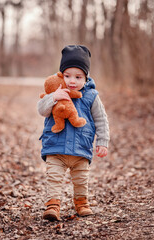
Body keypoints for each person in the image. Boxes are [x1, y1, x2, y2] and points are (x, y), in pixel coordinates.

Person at [37, 45, 110, 221]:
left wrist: (102, 141)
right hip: (56, 147)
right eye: (68, 76)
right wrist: (54, 97)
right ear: (61, 75)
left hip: (81, 149)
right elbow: (42, 110)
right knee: (53, 177)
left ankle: (82, 203)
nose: (72, 81)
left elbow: (101, 120)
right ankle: (53, 206)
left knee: (81, 179)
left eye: (78, 77)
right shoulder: (55, 92)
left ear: (86, 77)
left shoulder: (91, 96)